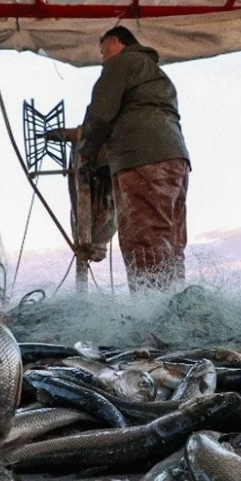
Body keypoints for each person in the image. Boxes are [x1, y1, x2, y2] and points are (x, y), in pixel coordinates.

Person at [77, 26, 190, 290]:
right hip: (175, 159)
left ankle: (149, 316)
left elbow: (100, 113)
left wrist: (86, 153)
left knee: (143, 237)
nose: (103, 58)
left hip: (141, 160)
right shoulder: (157, 75)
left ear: (115, 42)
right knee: (171, 240)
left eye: (103, 51)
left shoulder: (122, 62)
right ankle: (174, 306)